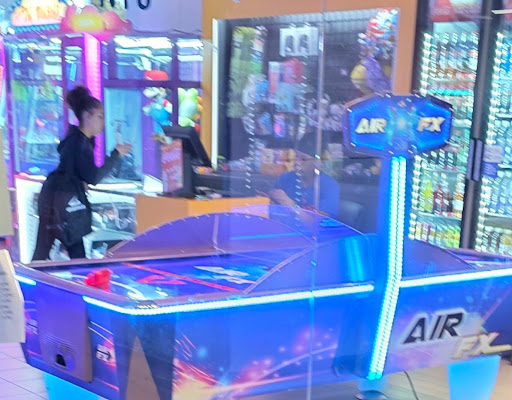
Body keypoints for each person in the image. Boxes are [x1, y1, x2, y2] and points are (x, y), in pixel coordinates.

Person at [32, 86, 131, 261]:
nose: (103, 121)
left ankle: (32, 277)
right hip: (66, 202)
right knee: (74, 251)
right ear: (87, 116)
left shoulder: (77, 140)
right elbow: (92, 177)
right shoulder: (80, 143)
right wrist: (116, 155)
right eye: (100, 116)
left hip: (55, 197)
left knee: (46, 249)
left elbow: (81, 172)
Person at [269, 134, 340, 219]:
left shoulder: (329, 186)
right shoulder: (285, 178)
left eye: (303, 159)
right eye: (296, 156)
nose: (296, 162)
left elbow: (318, 223)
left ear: (316, 162)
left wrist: (291, 205)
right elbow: (273, 211)